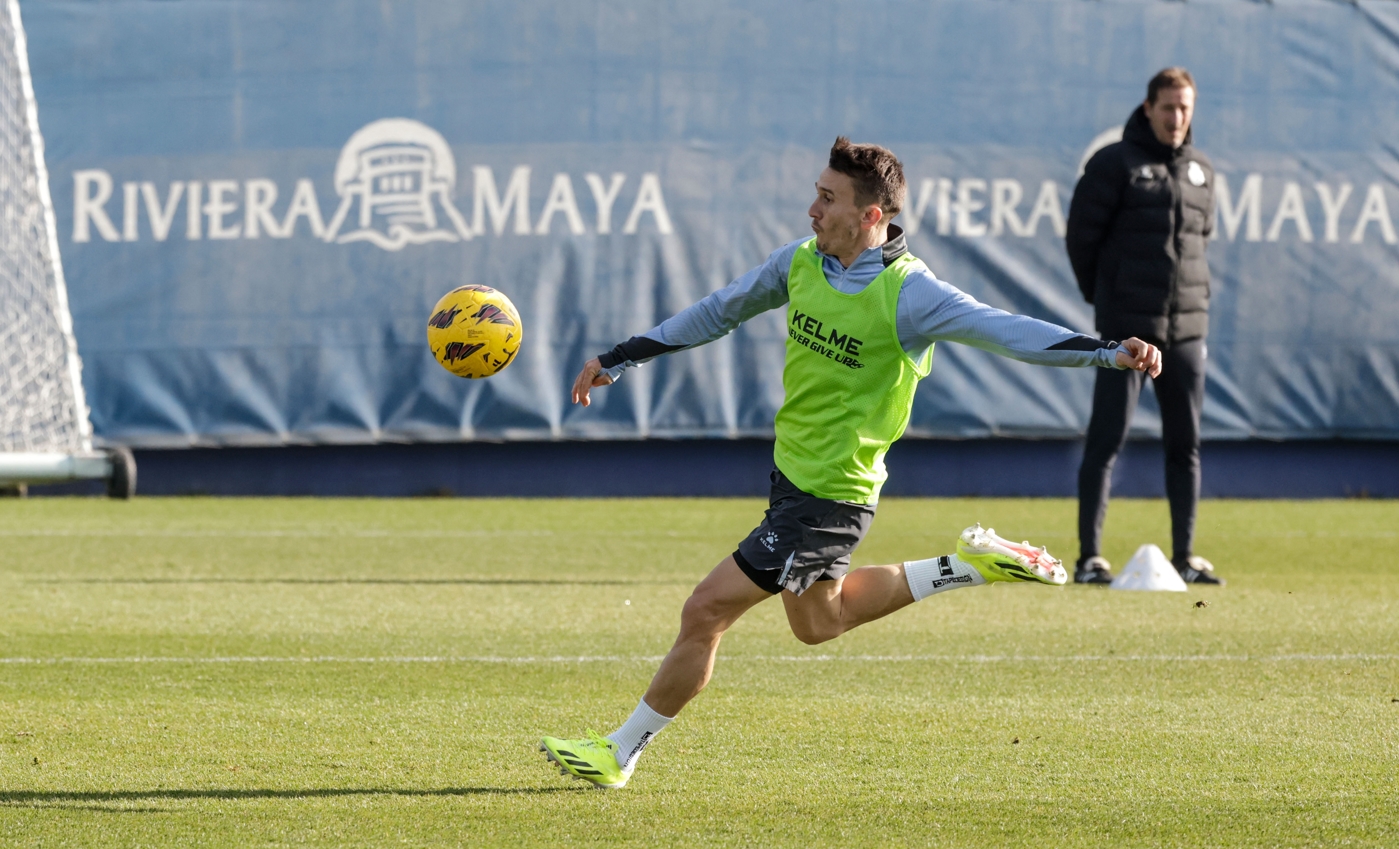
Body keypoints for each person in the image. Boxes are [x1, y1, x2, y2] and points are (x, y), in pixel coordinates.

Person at [540, 137, 1163, 789]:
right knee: (819, 621)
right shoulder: (801, 263)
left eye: (827, 198)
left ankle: (620, 750)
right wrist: (622, 355)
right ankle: (973, 564)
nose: (812, 209)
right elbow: (718, 310)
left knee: (705, 609)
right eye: (816, 191)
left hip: (830, 497)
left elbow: (1004, 329)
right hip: (792, 480)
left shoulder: (909, 293)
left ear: (872, 215)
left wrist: (1104, 352)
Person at [1066, 67, 1222, 586]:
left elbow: (1202, 240)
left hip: (1187, 332)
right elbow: (1081, 241)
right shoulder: (1114, 164)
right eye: (1168, 107)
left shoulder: (1202, 169)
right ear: (1149, 108)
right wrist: (1107, 307)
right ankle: (1090, 558)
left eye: (1185, 108)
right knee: (1107, 440)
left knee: (1186, 444)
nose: (1177, 118)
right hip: (1127, 334)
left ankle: (1187, 558)